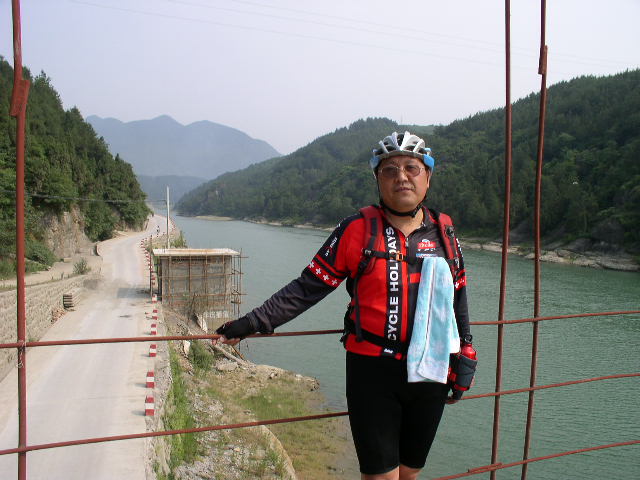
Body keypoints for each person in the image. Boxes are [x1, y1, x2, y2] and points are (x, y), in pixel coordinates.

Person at [214, 131, 473, 480]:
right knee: (381, 476)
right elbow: (308, 287)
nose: (401, 177)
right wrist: (251, 322)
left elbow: (457, 293)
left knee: (410, 472)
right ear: (378, 179)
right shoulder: (356, 229)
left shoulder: (444, 230)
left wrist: (465, 350)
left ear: (427, 175)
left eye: (411, 167)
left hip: (432, 367)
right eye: (389, 170)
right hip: (373, 371)